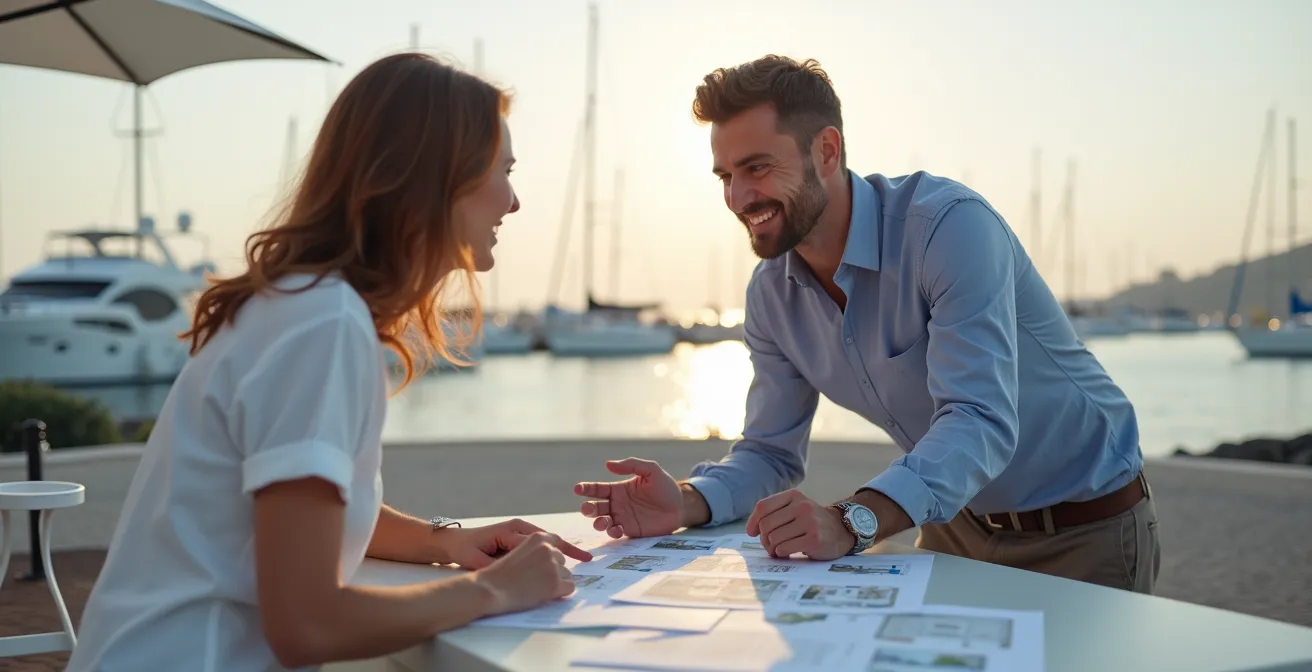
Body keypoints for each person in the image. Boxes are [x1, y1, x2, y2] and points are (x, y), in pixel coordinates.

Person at [67, 53, 591, 672]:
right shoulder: (322, 324)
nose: (514, 201)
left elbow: (300, 518)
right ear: (437, 177)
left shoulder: (299, 304)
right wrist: (493, 591)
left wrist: (443, 541)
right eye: (504, 171)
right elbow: (306, 625)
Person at [575, 55, 1160, 594]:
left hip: (1087, 529)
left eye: (757, 168)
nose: (738, 196)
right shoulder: (770, 296)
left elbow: (979, 419)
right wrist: (685, 501)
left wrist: (849, 519)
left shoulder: (948, 229)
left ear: (827, 151)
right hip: (954, 526)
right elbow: (769, 454)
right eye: (725, 175)